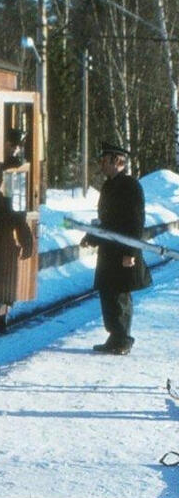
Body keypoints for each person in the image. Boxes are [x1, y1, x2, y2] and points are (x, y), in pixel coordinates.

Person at [83, 142, 151, 354]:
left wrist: (130, 253)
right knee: (108, 293)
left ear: (116, 160)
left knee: (119, 294)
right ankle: (115, 336)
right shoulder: (109, 185)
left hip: (123, 251)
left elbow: (136, 221)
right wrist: (91, 236)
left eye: (104, 160)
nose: (101, 165)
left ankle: (122, 339)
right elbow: (106, 221)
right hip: (109, 251)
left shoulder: (130, 186)